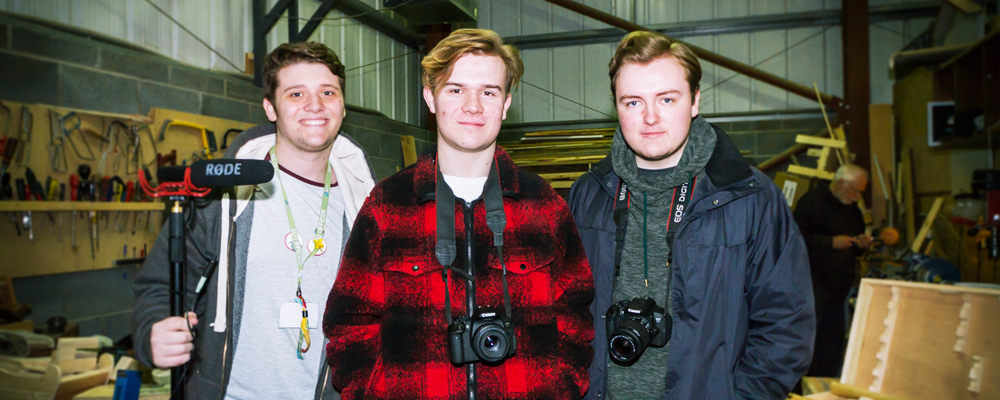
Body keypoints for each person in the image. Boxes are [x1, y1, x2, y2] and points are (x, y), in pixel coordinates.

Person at [323, 29, 594, 400]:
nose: (473, 106)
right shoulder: (388, 206)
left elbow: (576, 315)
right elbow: (349, 323)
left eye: (488, 91)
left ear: (506, 103)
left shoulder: (544, 205)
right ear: (430, 99)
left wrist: (560, 387)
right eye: (455, 89)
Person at [568, 31, 815, 399]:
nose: (650, 117)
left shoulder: (748, 198)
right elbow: (564, 314)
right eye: (633, 102)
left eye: (667, 99)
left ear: (695, 100)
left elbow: (786, 327)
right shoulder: (588, 195)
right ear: (616, 106)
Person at [131, 41, 377, 399]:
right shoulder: (220, 196)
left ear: (342, 105)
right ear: (271, 108)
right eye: (296, 93)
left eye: (328, 91)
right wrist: (150, 330)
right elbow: (158, 286)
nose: (315, 105)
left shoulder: (368, 203)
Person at [793, 164, 871, 378]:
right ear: (841, 183)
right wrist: (829, 242)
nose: (857, 197)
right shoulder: (811, 202)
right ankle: (803, 385)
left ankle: (827, 385)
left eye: (861, 193)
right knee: (811, 341)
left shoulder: (852, 209)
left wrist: (861, 243)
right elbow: (796, 241)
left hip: (839, 288)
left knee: (832, 344)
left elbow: (856, 238)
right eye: (855, 191)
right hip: (813, 285)